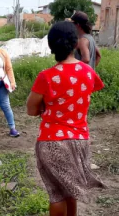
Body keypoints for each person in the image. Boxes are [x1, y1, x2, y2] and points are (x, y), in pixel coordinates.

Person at [26, 21, 106, 216]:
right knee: (71, 192)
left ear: (51, 46)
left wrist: (45, 107)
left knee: (57, 195)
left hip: (52, 141)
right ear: (75, 43)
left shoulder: (46, 76)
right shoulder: (89, 73)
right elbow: (86, 91)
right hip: (80, 141)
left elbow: (31, 109)